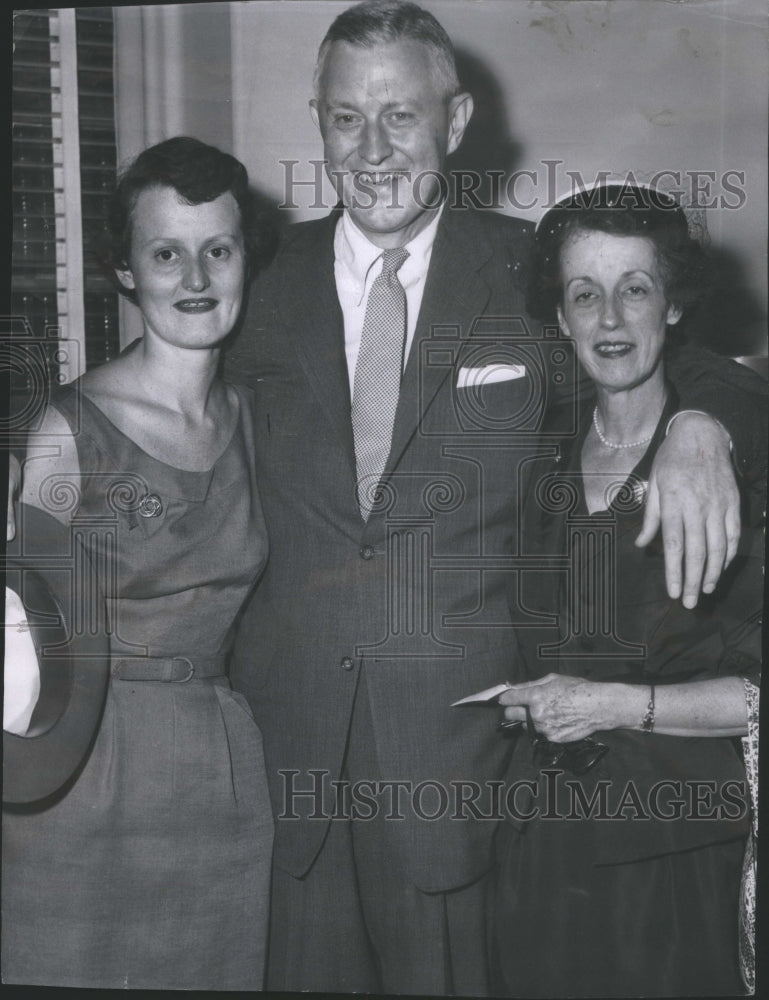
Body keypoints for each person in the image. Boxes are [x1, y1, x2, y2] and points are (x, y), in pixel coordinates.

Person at [221, 2, 759, 994]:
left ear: (457, 121)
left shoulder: (529, 273)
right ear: (316, 120)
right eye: (345, 119)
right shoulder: (253, 281)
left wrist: (701, 422)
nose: (372, 150)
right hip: (290, 768)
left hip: (464, 771)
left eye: (402, 117)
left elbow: (663, 350)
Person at [2, 137, 274, 990]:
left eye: (217, 249)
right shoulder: (67, 431)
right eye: (166, 252)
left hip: (222, 777)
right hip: (80, 773)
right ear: (126, 271)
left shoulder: (260, 421)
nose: (195, 274)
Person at [495, 185, 765, 997]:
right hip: (537, 842)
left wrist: (610, 704)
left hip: (672, 853)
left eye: (634, 289)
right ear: (560, 317)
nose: (609, 318)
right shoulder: (540, 454)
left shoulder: (731, 474)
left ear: (673, 304)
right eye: (584, 294)